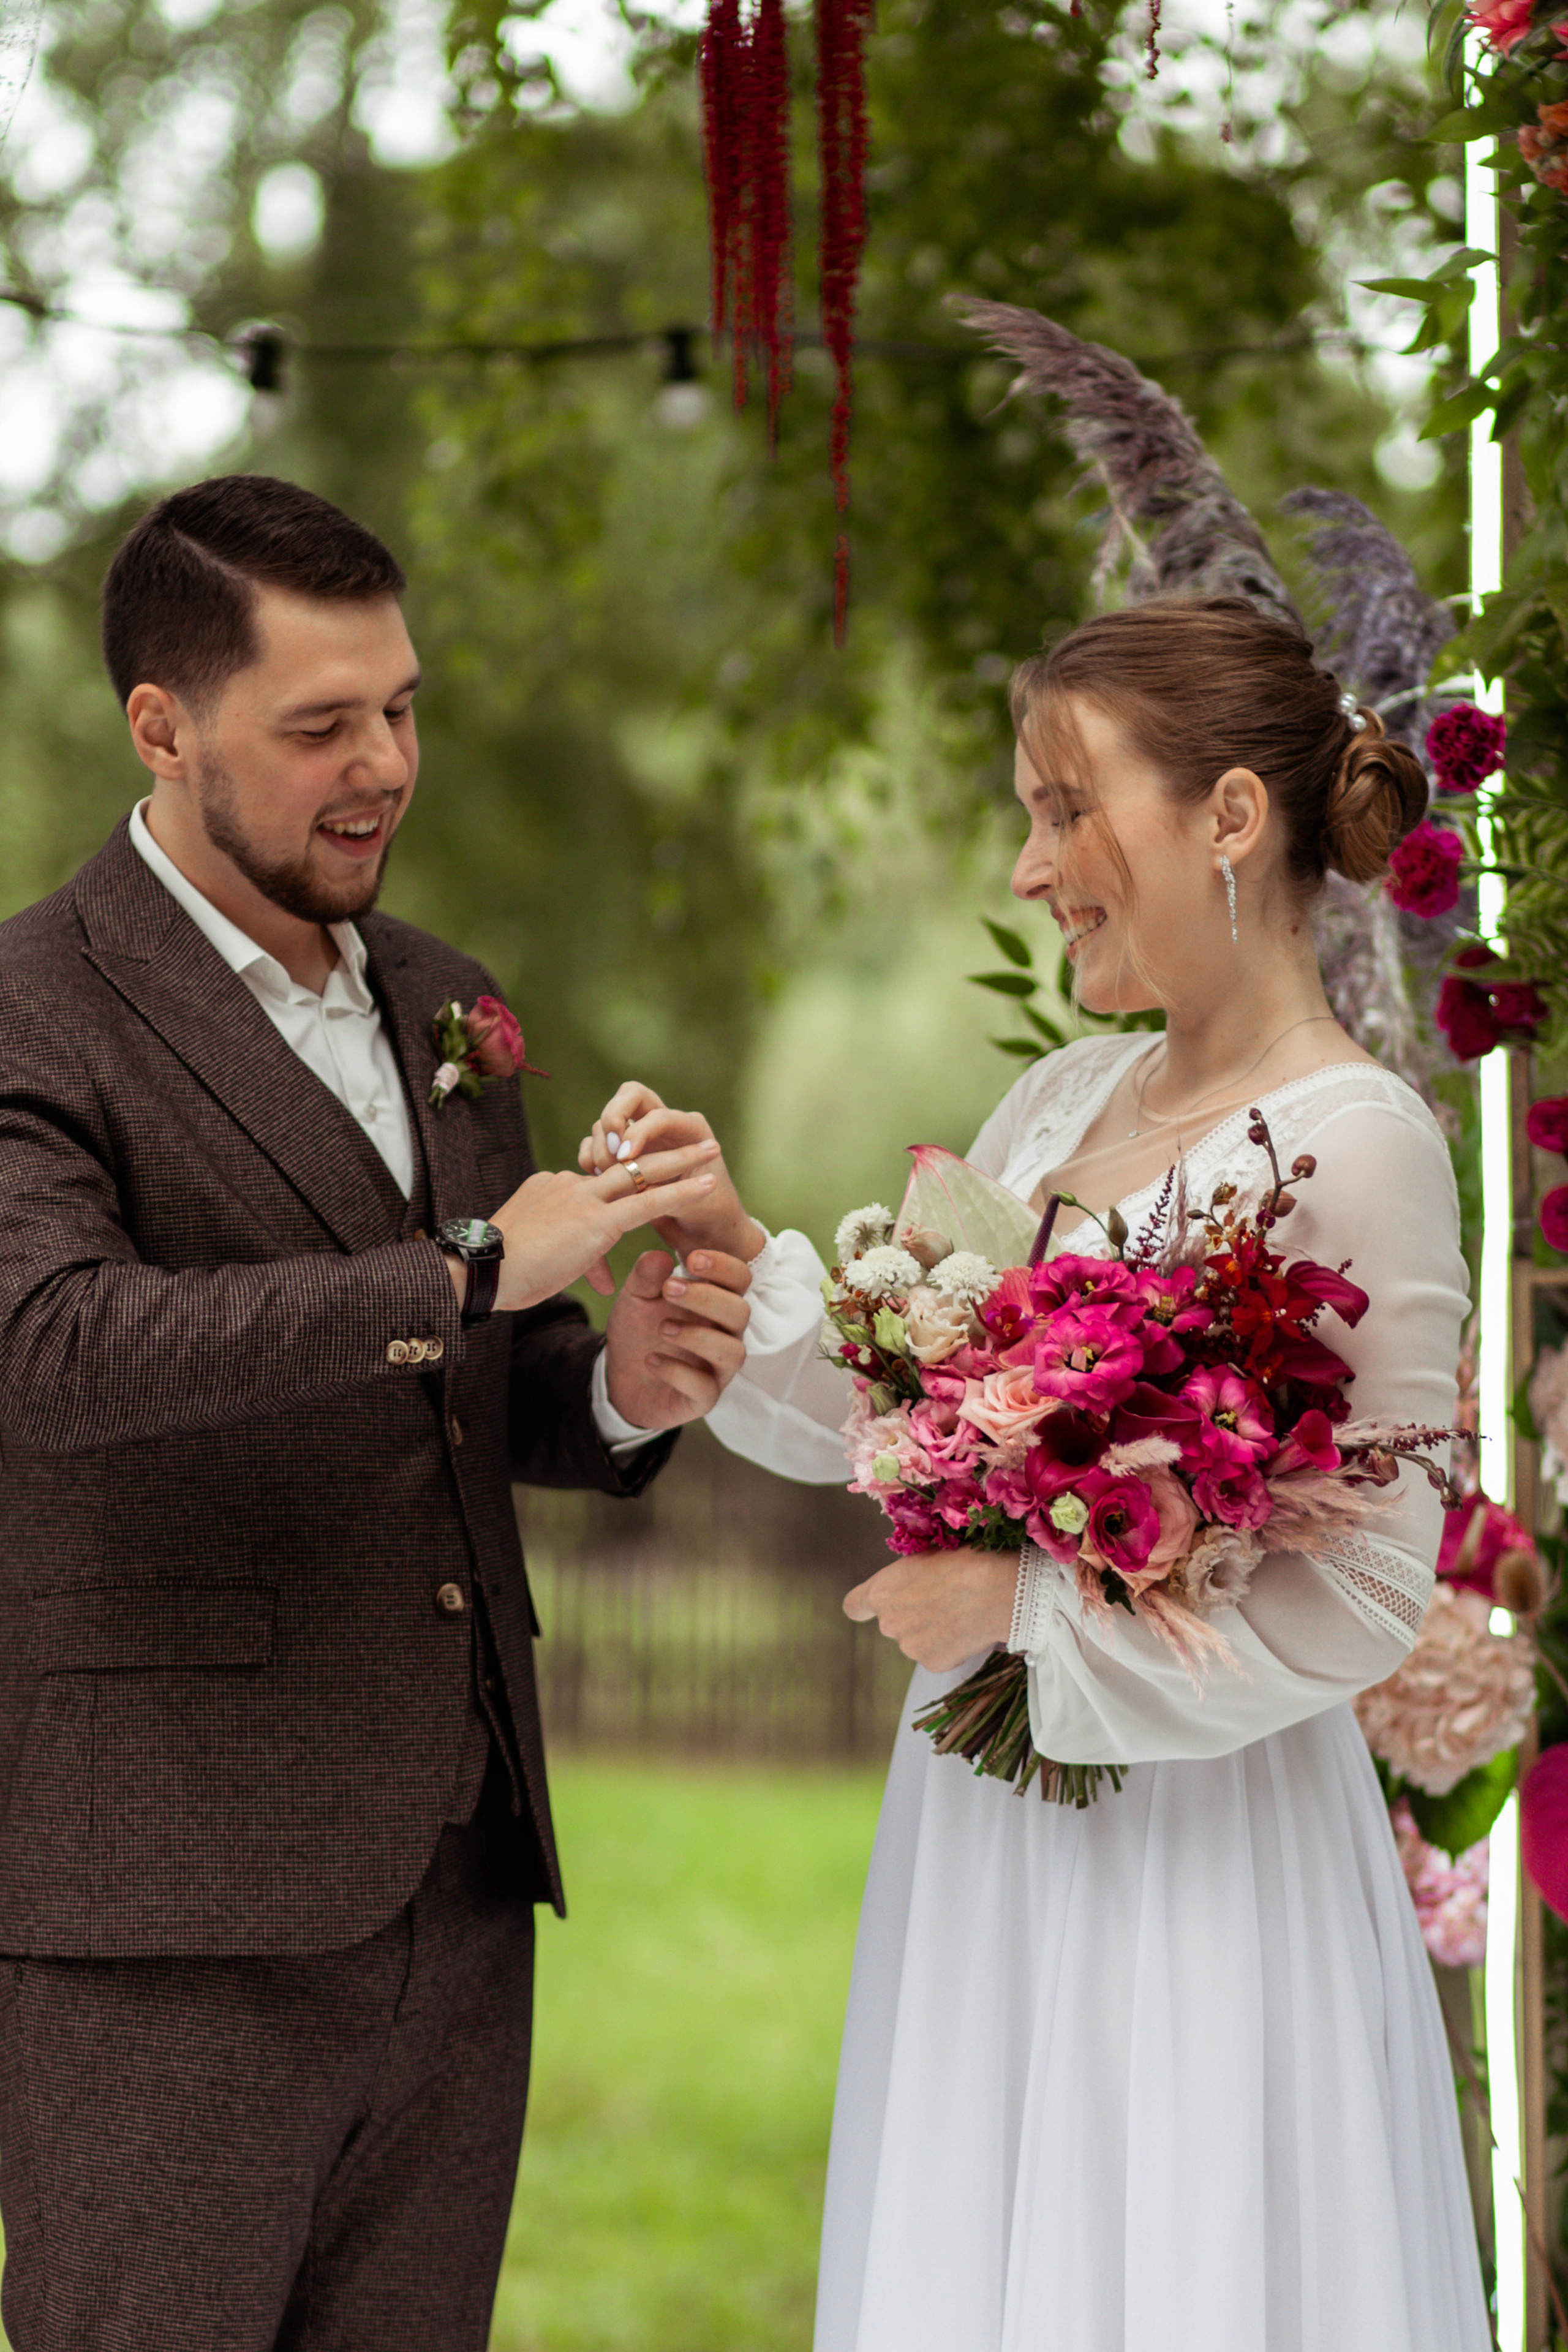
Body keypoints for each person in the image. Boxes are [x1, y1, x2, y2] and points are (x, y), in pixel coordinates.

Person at [581, 596, 1492, 2351]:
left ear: (1229, 816)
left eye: (1067, 806)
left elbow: (1370, 1594)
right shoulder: (1063, 1100)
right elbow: (900, 1403)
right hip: (991, 1845)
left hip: (1210, 1866)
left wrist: (1030, 1617)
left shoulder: (1366, 1145)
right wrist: (733, 1250)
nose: (1030, 866)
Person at [0, 472, 755, 2352]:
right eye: (321, 724)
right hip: (160, 1909)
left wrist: (624, 1392)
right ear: (162, 730)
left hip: (463, 1882)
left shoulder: (447, 997)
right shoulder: (30, 1002)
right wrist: (474, 1267)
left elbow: (458, 1387)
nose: (385, 764)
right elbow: (58, 1353)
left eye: (401, 706)